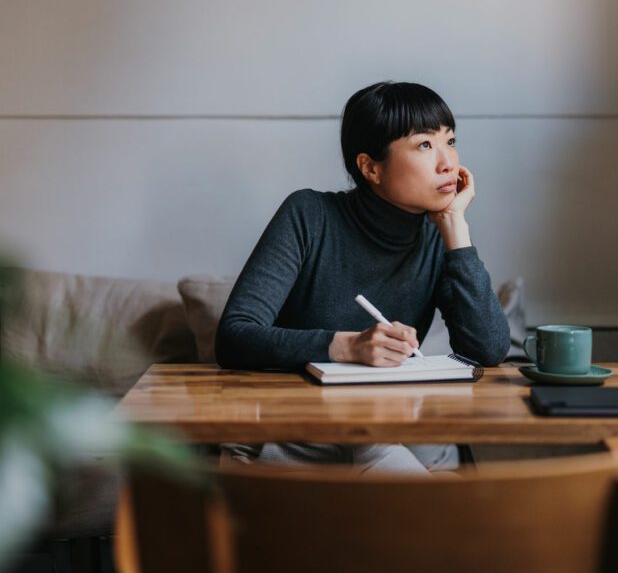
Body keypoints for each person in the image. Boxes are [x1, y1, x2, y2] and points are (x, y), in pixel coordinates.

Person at [215, 81, 510, 474]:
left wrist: (456, 230)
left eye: (450, 141)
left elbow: (487, 351)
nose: (448, 163)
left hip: (378, 433)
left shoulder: (436, 239)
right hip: (289, 433)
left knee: (448, 526)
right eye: (425, 145)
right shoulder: (309, 215)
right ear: (370, 167)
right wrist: (346, 347)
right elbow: (234, 336)